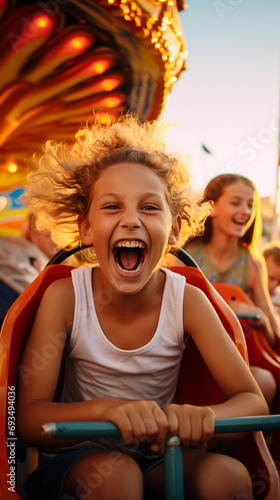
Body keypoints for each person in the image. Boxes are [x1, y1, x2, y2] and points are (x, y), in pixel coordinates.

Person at [17, 116, 268, 500]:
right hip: (75, 457)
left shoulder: (187, 300)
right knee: (117, 477)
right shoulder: (65, 297)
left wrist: (202, 417)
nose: (131, 220)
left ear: (172, 231)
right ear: (86, 229)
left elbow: (252, 400)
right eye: (112, 207)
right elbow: (28, 417)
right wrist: (107, 411)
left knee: (229, 478)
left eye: (150, 208)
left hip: (154, 453)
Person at [180, 173, 280, 408]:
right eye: (236, 203)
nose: (245, 211)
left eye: (250, 205)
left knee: (265, 382)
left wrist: (257, 315)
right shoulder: (185, 256)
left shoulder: (253, 263)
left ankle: (239, 442)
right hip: (188, 360)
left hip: (236, 360)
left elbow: (272, 331)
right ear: (211, 208)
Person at [0, 212, 58, 324]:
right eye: (47, 235)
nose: (55, 242)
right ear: (33, 234)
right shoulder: (29, 253)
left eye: (58, 236)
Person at [262, 240, 280, 315]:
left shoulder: (277, 299)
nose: (274, 285)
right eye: (271, 278)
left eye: (279, 282)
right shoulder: (249, 294)